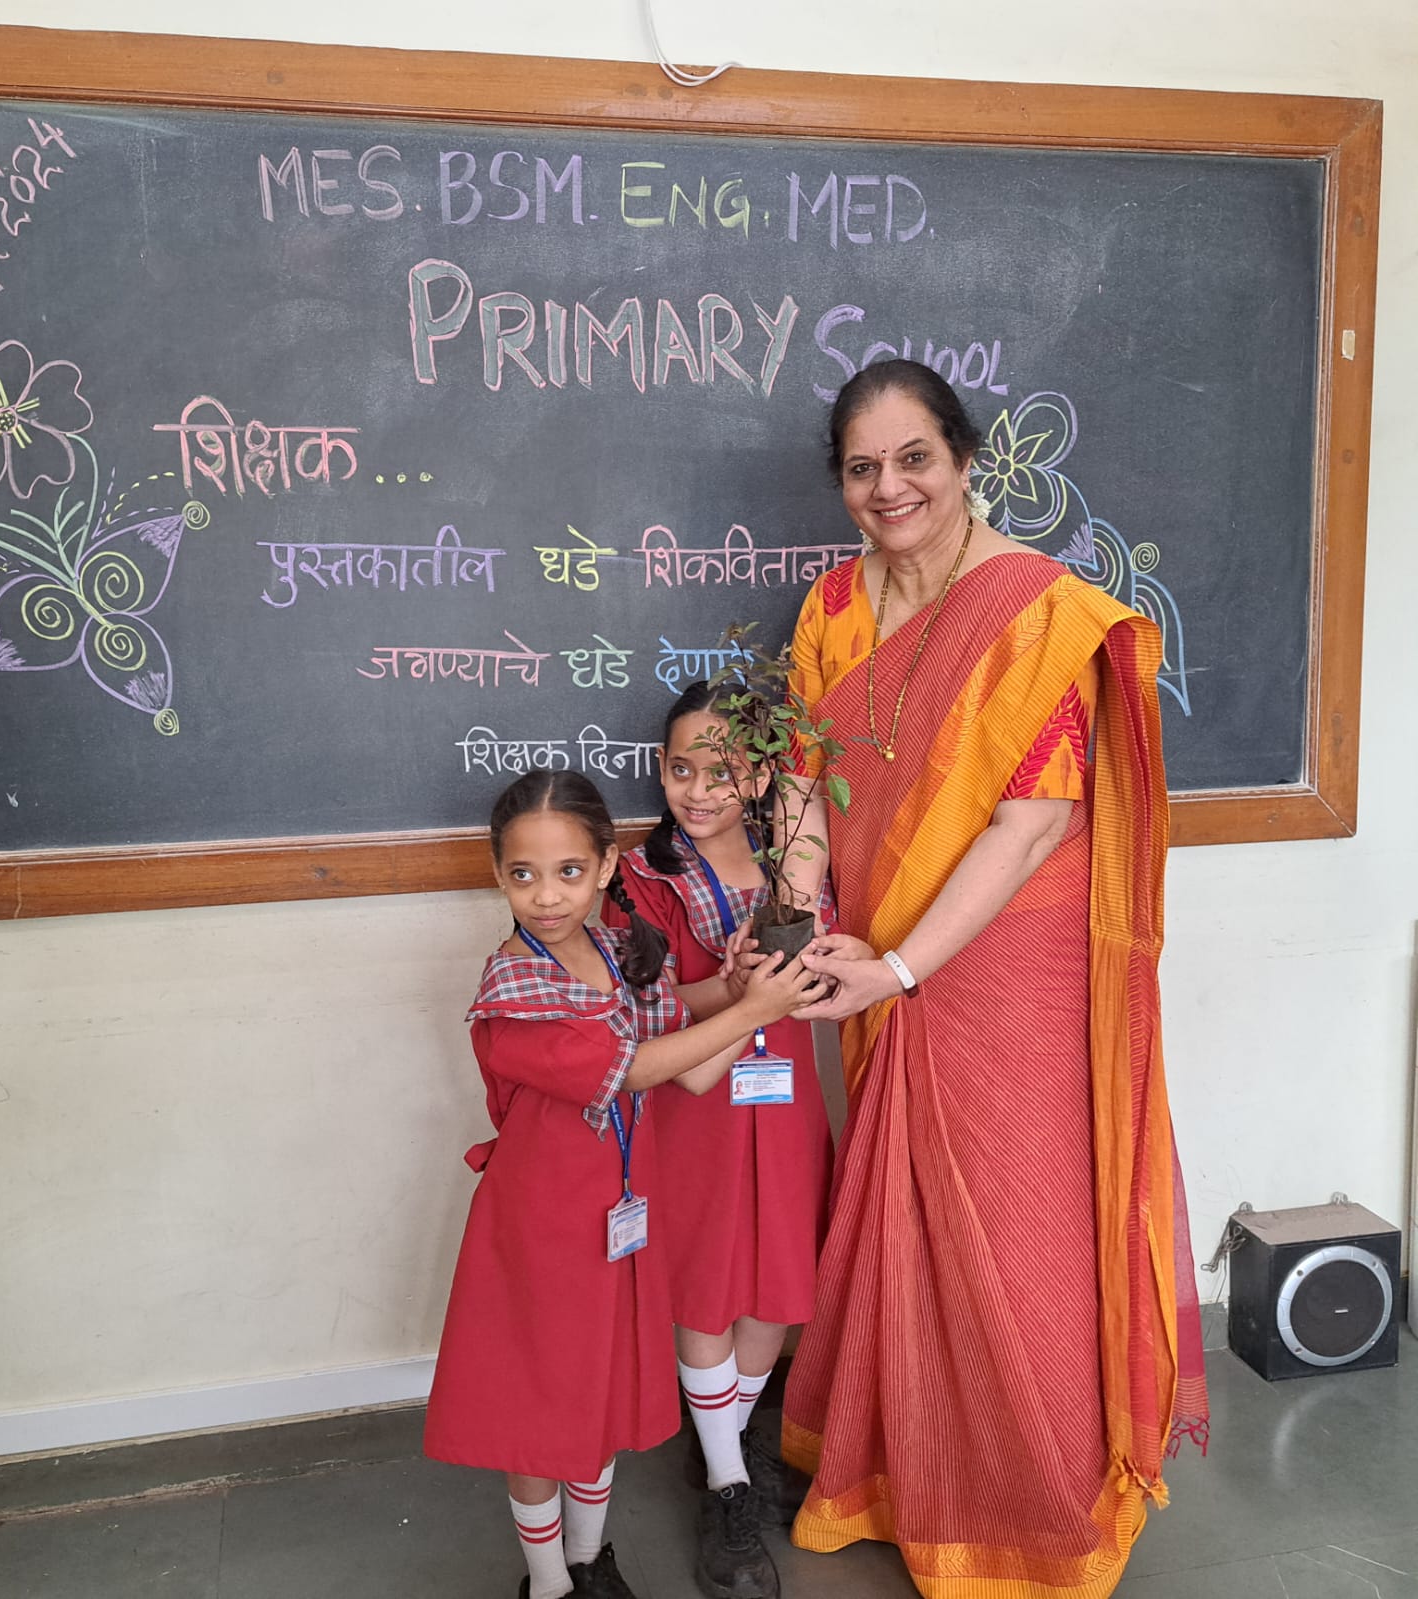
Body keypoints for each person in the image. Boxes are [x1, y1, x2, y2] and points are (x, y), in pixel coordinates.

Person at [769, 358, 1209, 1598]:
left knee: (1016, 1228)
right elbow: (803, 779)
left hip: (1008, 962)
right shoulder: (832, 610)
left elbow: (1032, 825)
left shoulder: (1038, 614)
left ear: (964, 461)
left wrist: (900, 965)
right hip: (870, 958)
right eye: (864, 468)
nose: (891, 488)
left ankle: (1029, 1506)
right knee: (903, 1214)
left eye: (915, 458)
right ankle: (901, 1476)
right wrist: (803, 921)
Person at [423, 770, 825, 1599]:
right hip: (541, 1230)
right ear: (497, 874)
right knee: (541, 1411)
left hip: (614, 1219)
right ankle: (548, 1584)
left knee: (596, 1397)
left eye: (569, 871)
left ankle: (588, 1560)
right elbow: (634, 1066)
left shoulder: (606, 950)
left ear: (607, 867)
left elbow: (680, 1040)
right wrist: (754, 1009)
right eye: (523, 874)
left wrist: (744, 987)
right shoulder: (513, 994)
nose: (546, 895)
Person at [603, 683, 834, 1599]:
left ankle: (721, 1443)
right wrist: (737, 986)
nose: (697, 791)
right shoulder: (639, 878)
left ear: (765, 776)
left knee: (775, 1275)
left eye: (723, 771)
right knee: (705, 1280)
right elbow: (644, 1012)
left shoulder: (794, 859)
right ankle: (729, 1484)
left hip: (784, 1098)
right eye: (679, 769)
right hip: (695, 1104)